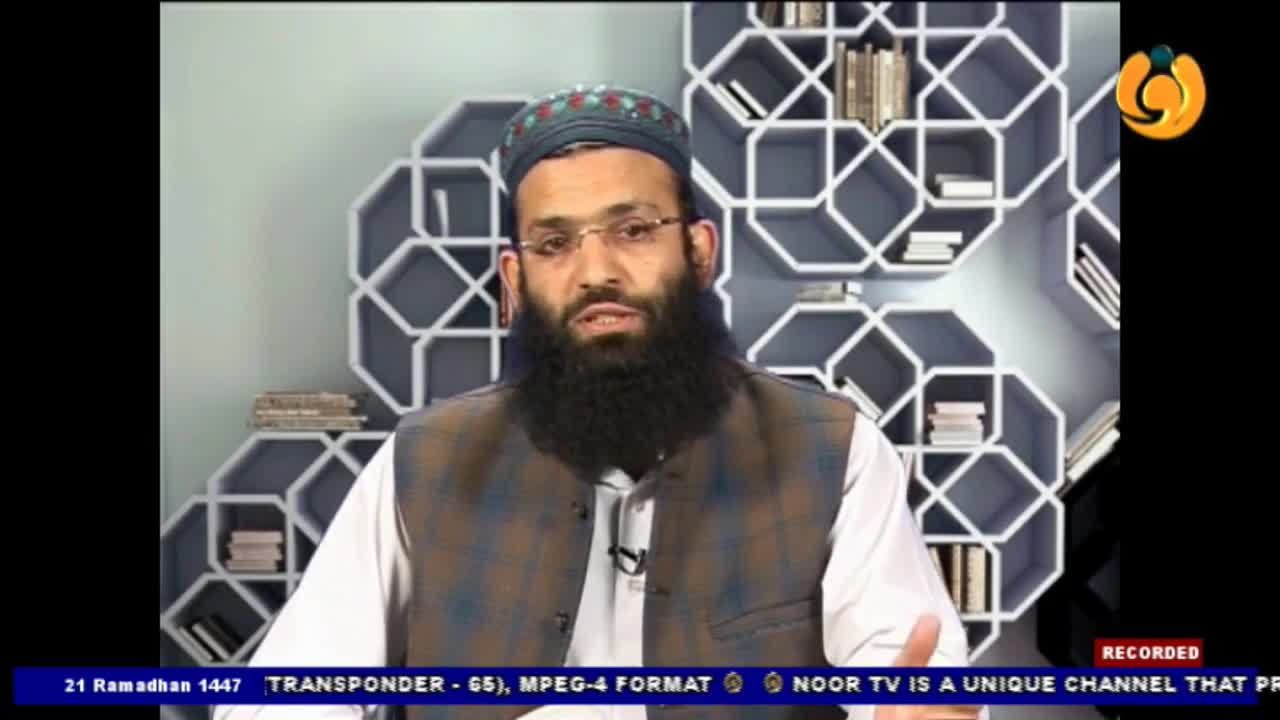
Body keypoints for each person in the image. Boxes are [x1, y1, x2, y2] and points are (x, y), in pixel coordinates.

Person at [213, 83, 985, 720]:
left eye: (635, 230)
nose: (595, 271)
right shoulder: (425, 460)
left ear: (699, 252)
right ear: (515, 283)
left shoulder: (831, 449)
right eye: (553, 245)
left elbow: (905, 667)